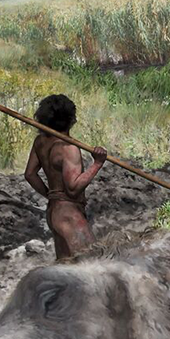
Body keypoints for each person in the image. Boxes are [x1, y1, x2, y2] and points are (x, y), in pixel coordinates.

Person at [24, 94, 108, 260]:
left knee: (66, 266)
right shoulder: (69, 148)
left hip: (53, 211)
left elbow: (30, 174)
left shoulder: (40, 142)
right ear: (71, 119)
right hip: (69, 213)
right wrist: (97, 163)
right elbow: (73, 187)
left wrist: (51, 194)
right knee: (93, 263)